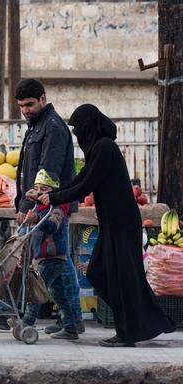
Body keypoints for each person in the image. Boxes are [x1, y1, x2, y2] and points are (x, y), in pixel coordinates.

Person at [39, 104, 176, 347]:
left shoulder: (105, 147)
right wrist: (53, 192)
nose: (78, 134)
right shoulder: (98, 149)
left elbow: (87, 185)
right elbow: (80, 179)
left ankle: (127, 333)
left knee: (122, 278)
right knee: (99, 273)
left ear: (89, 126)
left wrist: (55, 198)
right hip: (112, 224)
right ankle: (139, 323)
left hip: (122, 224)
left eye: (79, 128)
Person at [14, 79, 83, 334]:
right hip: (40, 206)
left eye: (30, 104)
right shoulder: (36, 126)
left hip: (52, 207)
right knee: (50, 263)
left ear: (43, 98)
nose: (25, 110)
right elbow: (26, 171)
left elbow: (47, 173)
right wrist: (21, 202)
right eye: (21, 106)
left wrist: (29, 206)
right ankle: (68, 322)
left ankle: (60, 321)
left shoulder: (53, 127)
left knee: (50, 263)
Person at [22, 172, 80, 340]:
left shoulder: (58, 208)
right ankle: (70, 327)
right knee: (58, 294)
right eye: (36, 189)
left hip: (53, 257)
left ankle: (27, 323)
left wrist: (36, 219)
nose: (39, 193)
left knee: (36, 289)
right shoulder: (37, 208)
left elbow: (52, 227)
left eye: (44, 190)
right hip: (42, 257)